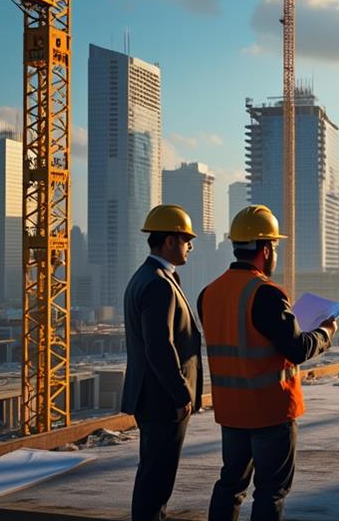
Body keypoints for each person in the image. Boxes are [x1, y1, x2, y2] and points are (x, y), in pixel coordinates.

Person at [199, 204, 336, 521]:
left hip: (232, 411)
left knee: (230, 485)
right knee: (271, 491)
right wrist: (326, 332)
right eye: (274, 246)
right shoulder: (266, 293)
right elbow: (298, 348)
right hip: (270, 412)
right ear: (264, 249)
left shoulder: (209, 293)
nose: (275, 253)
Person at [122, 204, 204, 521]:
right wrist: (181, 393)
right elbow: (159, 345)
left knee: (153, 476)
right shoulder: (158, 283)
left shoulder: (147, 277)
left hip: (154, 396)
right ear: (170, 241)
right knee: (156, 479)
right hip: (162, 399)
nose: (191, 246)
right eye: (187, 239)